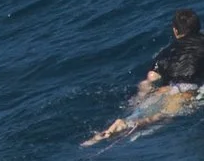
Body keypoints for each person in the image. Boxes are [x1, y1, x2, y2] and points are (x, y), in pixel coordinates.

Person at [85, 8, 204, 145]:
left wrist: (139, 99)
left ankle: (129, 117)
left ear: (175, 31)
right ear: (198, 26)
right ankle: (127, 125)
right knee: (164, 116)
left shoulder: (165, 52)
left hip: (163, 90)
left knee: (147, 110)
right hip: (185, 90)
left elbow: (150, 79)